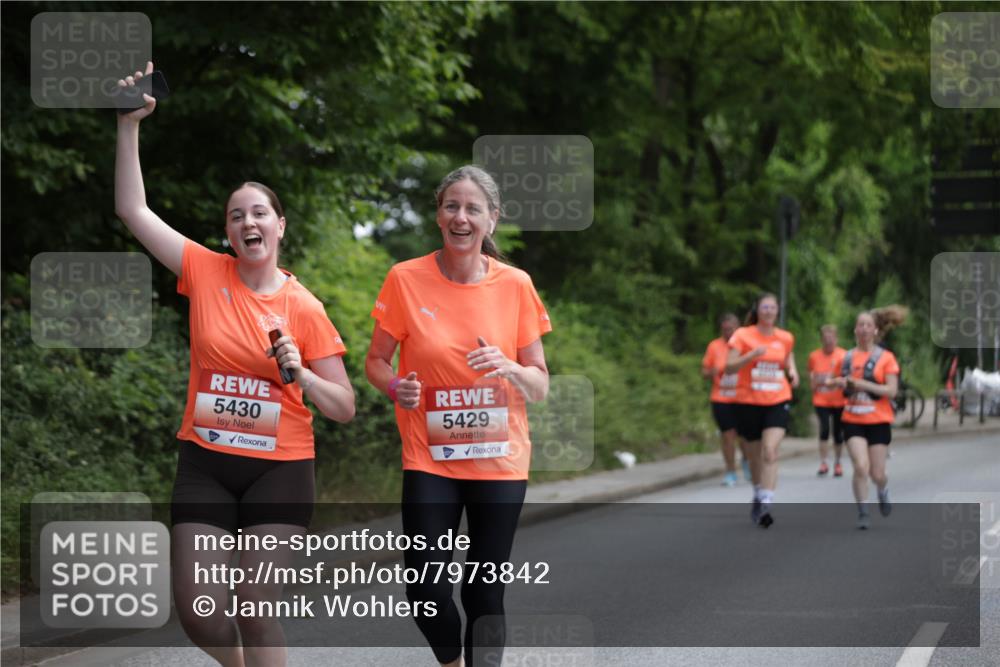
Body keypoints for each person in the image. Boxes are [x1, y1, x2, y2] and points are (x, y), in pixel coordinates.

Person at [115, 62, 355, 666]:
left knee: (255, 602)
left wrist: (303, 374)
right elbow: (133, 213)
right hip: (207, 464)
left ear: (279, 226)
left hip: (280, 469)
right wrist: (128, 126)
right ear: (228, 234)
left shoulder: (305, 307)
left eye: (258, 213)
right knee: (200, 614)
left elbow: (345, 408)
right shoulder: (204, 271)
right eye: (236, 215)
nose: (248, 221)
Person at [365, 166, 551, 667]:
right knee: (426, 593)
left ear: (492, 219)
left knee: (484, 593)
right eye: (452, 206)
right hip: (430, 457)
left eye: (473, 209)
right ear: (438, 214)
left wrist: (509, 366)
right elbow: (376, 360)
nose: (461, 217)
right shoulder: (406, 278)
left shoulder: (515, 285)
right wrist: (393, 386)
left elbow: (539, 384)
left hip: (499, 460)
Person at [725, 293, 799, 528]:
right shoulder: (743, 335)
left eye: (772, 307)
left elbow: (787, 358)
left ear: (777, 311)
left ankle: (767, 500)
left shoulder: (785, 337)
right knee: (754, 455)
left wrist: (794, 372)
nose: (768, 311)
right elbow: (728, 367)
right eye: (764, 307)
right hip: (748, 401)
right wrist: (750, 356)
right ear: (757, 310)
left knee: (770, 450)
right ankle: (758, 492)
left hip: (777, 400)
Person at [829, 310, 902, 530]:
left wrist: (862, 385)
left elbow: (891, 391)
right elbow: (833, 381)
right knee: (861, 467)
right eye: (860, 325)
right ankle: (863, 511)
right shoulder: (846, 357)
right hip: (853, 418)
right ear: (855, 330)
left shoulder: (886, 358)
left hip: (878, 420)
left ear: (876, 330)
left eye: (868, 325)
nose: (864, 329)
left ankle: (882, 489)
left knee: (877, 473)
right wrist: (839, 383)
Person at [701, 313, 751, 486]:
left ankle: (746, 460)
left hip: (742, 397)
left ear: (738, 328)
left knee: (744, 436)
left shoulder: (745, 345)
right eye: (725, 329)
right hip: (721, 397)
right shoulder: (714, 346)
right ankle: (730, 471)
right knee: (727, 435)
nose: (728, 332)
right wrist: (712, 372)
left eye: (731, 329)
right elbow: (704, 371)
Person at [808, 324, 847, 477]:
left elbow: (847, 377)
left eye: (831, 338)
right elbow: (811, 375)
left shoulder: (843, 355)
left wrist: (837, 381)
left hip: (839, 400)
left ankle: (837, 462)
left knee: (838, 432)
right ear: (822, 340)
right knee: (824, 429)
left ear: (836, 339)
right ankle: (823, 462)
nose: (829, 342)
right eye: (826, 339)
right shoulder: (814, 356)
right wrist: (813, 382)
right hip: (821, 399)